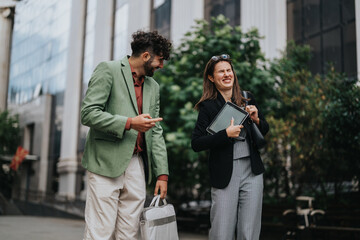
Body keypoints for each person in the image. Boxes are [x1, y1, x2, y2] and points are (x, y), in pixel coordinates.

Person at [81, 30, 172, 240]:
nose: (161, 66)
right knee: (100, 232)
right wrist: (130, 123)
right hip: (104, 161)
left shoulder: (153, 87)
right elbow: (88, 114)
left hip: (136, 165)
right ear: (146, 56)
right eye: (160, 60)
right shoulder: (108, 70)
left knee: (129, 233)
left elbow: (155, 130)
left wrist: (162, 174)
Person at [191, 54, 269, 240]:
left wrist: (257, 119)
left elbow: (263, 130)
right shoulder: (207, 107)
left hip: (252, 171)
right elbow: (196, 143)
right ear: (211, 77)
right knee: (222, 230)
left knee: (249, 231)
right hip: (225, 172)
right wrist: (225, 134)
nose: (227, 74)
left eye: (229, 70)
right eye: (221, 72)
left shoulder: (247, 98)